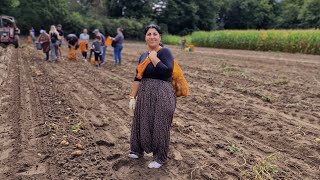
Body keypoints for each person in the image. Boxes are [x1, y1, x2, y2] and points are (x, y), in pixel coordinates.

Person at [128, 24, 176, 169]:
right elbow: (138, 77)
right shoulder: (143, 55)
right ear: (145, 37)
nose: (152, 37)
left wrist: (154, 58)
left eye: (155, 34)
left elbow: (167, 73)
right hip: (144, 93)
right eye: (149, 34)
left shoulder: (165, 52)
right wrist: (132, 97)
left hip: (162, 93)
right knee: (141, 121)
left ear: (159, 36)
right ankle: (137, 150)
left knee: (160, 124)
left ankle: (160, 158)